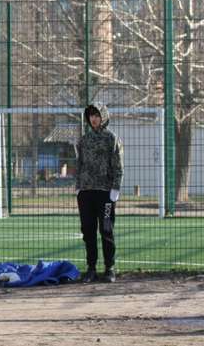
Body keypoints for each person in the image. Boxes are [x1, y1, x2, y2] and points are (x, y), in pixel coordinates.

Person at [75, 103, 123, 283]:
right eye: (91, 116)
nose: (93, 119)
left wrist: (115, 189)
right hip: (86, 192)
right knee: (88, 230)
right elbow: (79, 164)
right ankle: (91, 268)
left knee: (106, 229)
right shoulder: (84, 140)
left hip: (105, 193)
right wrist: (78, 187)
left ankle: (110, 268)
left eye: (97, 115)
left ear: (103, 116)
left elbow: (118, 166)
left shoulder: (112, 139)